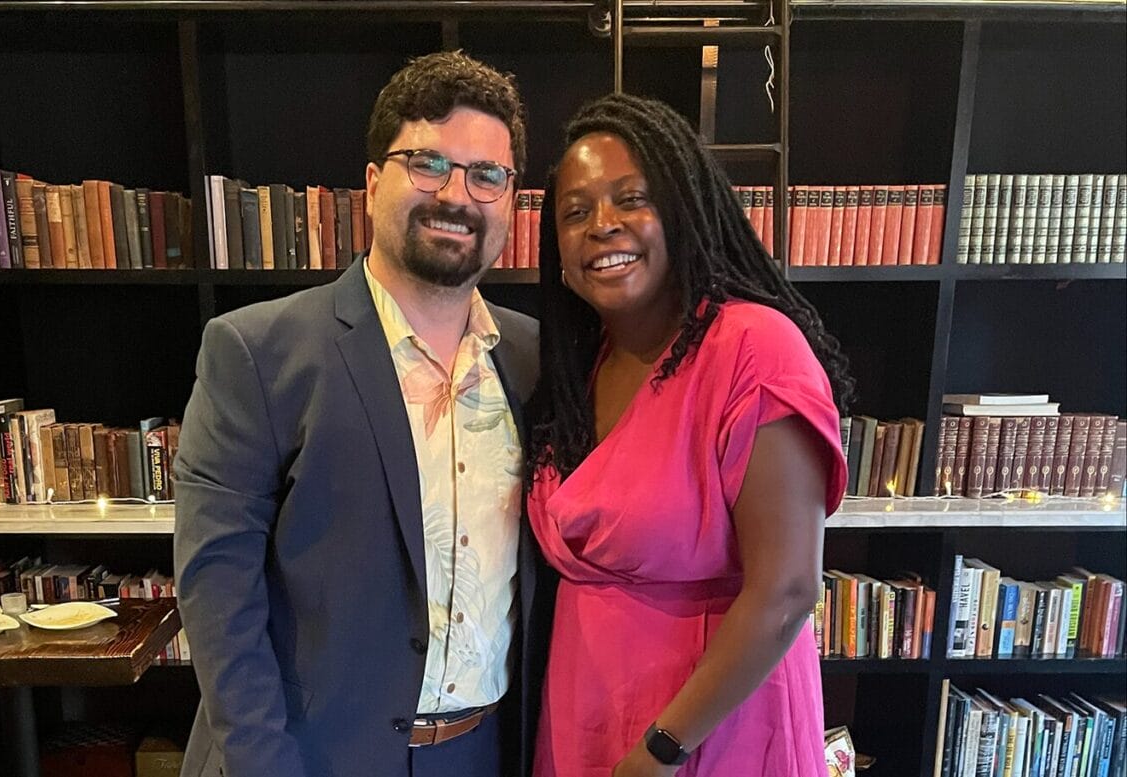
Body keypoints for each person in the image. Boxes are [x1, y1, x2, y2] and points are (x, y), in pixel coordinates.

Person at [173, 51, 545, 777]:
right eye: (428, 163)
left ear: (509, 199)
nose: (456, 195)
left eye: (485, 174)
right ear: (374, 182)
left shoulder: (535, 360)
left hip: (488, 752)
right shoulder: (257, 352)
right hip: (310, 755)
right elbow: (218, 593)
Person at [526, 93, 855, 777]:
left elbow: (788, 587)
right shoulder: (579, 369)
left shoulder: (754, 348)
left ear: (682, 209)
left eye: (631, 199)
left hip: (707, 727)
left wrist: (663, 748)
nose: (602, 226)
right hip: (585, 710)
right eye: (576, 212)